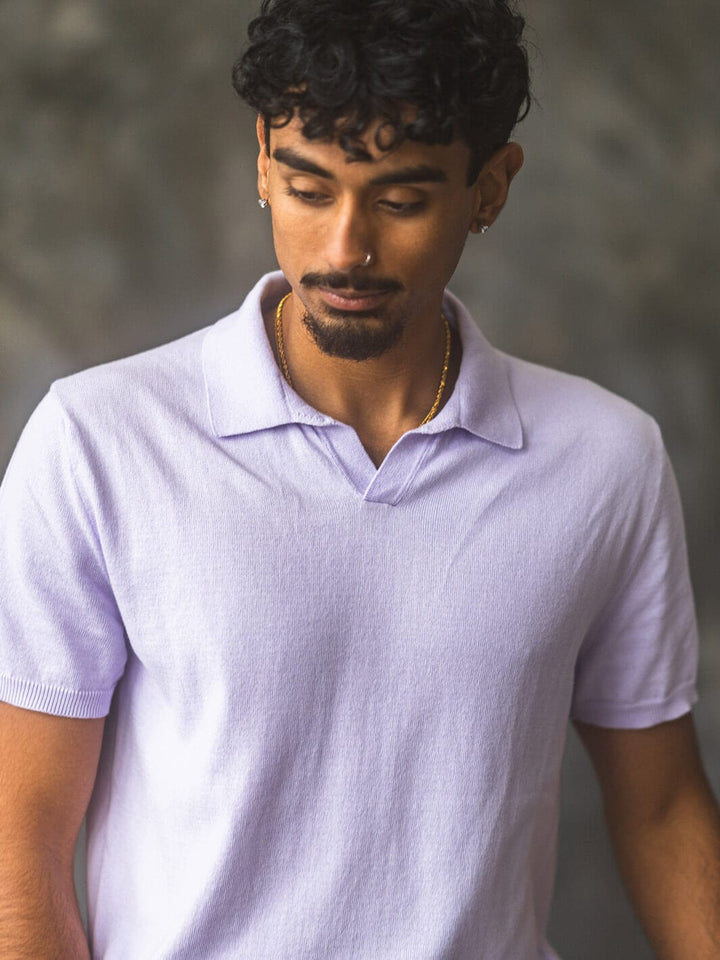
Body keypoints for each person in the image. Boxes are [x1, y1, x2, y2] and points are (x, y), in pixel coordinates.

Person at [1, 0, 719, 956]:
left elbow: (662, 808)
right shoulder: (99, 442)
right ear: (263, 162)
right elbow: (21, 842)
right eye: (309, 189)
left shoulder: (606, 460)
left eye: (401, 200)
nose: (345, 249)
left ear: (491, 187)